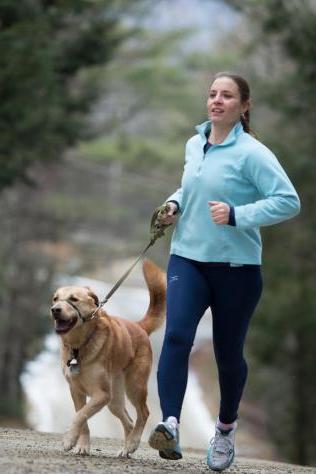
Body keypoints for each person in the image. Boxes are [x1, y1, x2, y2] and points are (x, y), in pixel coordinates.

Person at [148, 72, 300, 471]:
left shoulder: (253, 153)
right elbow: (191, 188)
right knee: (177, 337)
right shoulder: (194, 144)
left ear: (244, 106)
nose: (217, 101)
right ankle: (170, 424)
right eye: (213, 94)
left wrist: (238, 215)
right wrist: (173, 204)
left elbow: (288, 201)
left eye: (227, 96)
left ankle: (226, 429)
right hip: (188, 258)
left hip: (237, 268)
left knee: (227, 354)